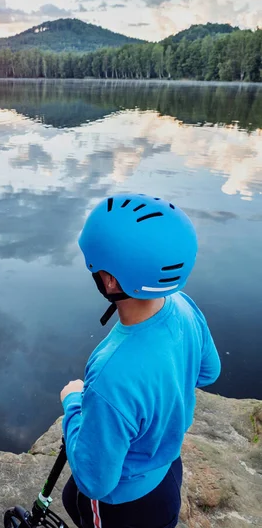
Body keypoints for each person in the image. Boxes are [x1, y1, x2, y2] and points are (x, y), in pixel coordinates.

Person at [60, 193, 221, 528]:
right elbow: (209, 372)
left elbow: (94, 482)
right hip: (167, 476)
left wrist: (74, 402)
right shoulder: (184, 305)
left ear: (109, 281)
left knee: (72, 497)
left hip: (122, 505)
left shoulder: (110, 373)